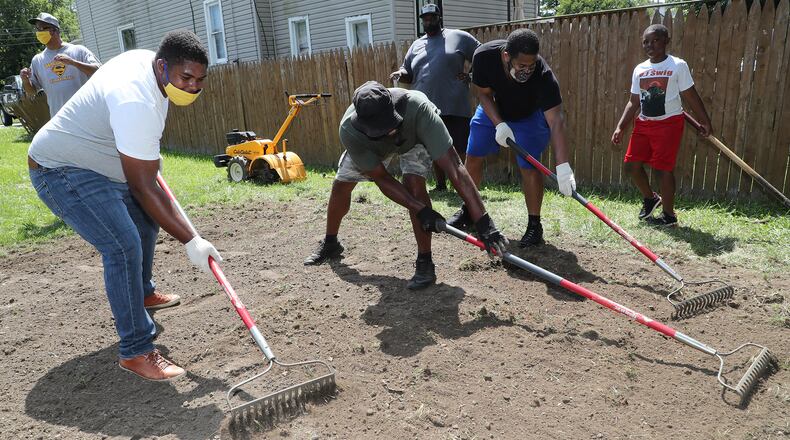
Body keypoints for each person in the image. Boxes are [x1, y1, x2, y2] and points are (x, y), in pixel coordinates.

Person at [27, 30, 222, 381]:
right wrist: (192, 240)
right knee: (122, 245)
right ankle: (136, 351)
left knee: (146, 224)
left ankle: (142, 293)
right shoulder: (135, 101)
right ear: (163, 67)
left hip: (101, 162)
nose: (194, 87)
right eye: (187, 78)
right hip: (60, 170)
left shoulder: (149, 65)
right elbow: (143, 186)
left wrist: (149, 163)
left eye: (200, 80)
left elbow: (144, 168)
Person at [304, 81, 508, 290]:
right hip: (371, 147)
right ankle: (331, 243)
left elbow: (455, 167)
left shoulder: (419, 110)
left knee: (413, 185)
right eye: (382, 129)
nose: (390, 132)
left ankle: (424, 262)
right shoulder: (350, 131)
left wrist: (483, 221)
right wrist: (422, 211)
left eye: (390, 124)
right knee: (340, 186)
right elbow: (381, 178)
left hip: (415, 135)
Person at [447, 28, 576, 247]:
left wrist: (563, 167)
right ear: (507, 56)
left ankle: (534, 226)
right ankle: (469, 210)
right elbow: (483, 94)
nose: (527, 70)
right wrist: (499, 124)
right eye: (522, 65)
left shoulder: (544, 77)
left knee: (529, 165)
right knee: (473, 154)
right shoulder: (484, 56)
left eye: (531, 65)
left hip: (529, 116)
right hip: (493, 109)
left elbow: (556, 121)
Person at [612, 24, 711, 226]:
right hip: (644, 124)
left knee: (661, 169)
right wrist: (620, 126)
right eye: (646, 42)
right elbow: (634, 100)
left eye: (655, 40)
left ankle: (668, 215)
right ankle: (651, 198)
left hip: (669, 124)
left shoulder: (677, 65)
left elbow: (690, 95)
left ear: (666, 41)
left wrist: (704, 120)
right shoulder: (640, 69)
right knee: (631, 165)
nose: (650, 45)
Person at [390, 3, 480, 191]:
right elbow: (408, 72)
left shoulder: (458, 37)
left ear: (439, 18)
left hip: (455, 104)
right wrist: (400, 73)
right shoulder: (416, 44)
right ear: (422, 21)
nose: (428, 21)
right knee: (434, 147)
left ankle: (462, 186)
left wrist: (470, 75)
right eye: (425, 19)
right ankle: (440, 185)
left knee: (460, 147)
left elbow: (480, 54)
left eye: (432, 17)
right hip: (426, 107)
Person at [20, 12, 101, 118]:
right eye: (37, 29)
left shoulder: (78, 50)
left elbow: (99, 71)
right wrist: (25, 80)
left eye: (42, 29)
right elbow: (32, 92)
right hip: (59, 118)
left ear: (54, 30)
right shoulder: (38, 60)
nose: (39, 33)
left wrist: (73, 62)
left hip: (86, 115)